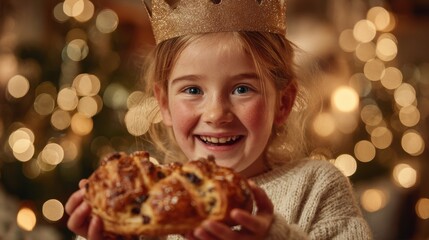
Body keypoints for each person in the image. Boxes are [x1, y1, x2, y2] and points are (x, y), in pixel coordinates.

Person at [65, 0, 373, 239]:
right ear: (165, 104)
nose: (216, 114)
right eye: (193, 89)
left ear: (284, 102)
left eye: (242, 89)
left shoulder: (317, 186)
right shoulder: (147, 201)